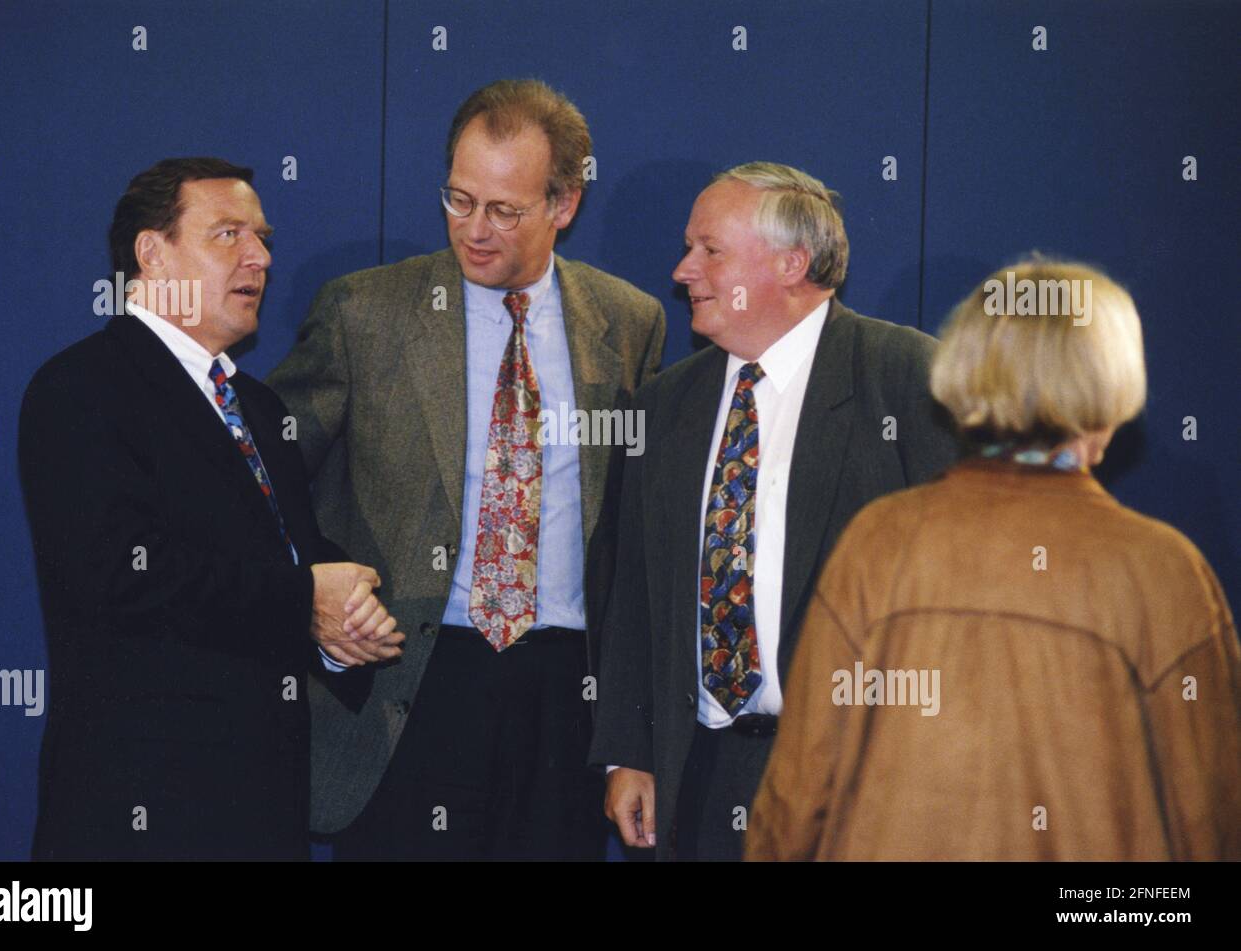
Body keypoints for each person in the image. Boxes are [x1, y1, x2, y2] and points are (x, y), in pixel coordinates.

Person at [268, 79, 666, 860]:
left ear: (565, 205)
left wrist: (630, 731)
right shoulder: (363, 313)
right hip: (410, 689)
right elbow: (265, 481)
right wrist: (314, 587)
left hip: (564, 702)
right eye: (458, 199)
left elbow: (637, 533)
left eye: (504, 210)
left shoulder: (629, 322)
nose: (473, 230)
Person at [747, 259, 1241, 860]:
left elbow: (799, 789)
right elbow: (1209, 814)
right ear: (1114, 383)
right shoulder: (1163, 570)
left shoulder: (881, 541)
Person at [19, 157, 401, 861]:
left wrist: (345, 626)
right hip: (142, 815)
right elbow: (121, 576)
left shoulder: (258, 406)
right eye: (228, 234)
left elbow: (298, 558)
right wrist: (304, 600)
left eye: (262, 238)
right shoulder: (80, 389)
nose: (259, 257)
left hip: (262, 815)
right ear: (151, 253)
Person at [588, 162, 961, 860]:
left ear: (792, 264)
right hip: (697, 775)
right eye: (689, 248)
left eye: (710, 250)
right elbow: (631, 590)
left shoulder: (904, 376)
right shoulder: (664, 405)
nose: (682, 271)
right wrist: (627, 750)